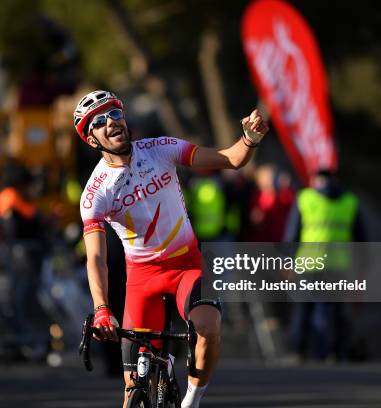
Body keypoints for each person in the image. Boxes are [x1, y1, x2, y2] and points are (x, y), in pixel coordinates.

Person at [74, 90, 268, 408]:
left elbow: (229, 159)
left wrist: (248, 139)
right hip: (142, 278)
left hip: (186, 266)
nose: (110, 123)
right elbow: (96, 257)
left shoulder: (160, 149)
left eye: (114, 114)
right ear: (91, 139)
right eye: (99, 121)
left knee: (208, 326)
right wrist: (101, 308)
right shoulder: (95, 193)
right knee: (132, 386)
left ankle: (191, 402)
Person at [284, 169, 366, 360]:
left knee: (303, 309)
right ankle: (331, 352)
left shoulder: (305, 198)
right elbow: (361, 240)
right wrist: (362, 269)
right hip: (337, 265)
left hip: (308, 263)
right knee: (331, 310)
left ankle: (299, 352)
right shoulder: (350, 202)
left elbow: (292, 234)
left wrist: (287, 261)